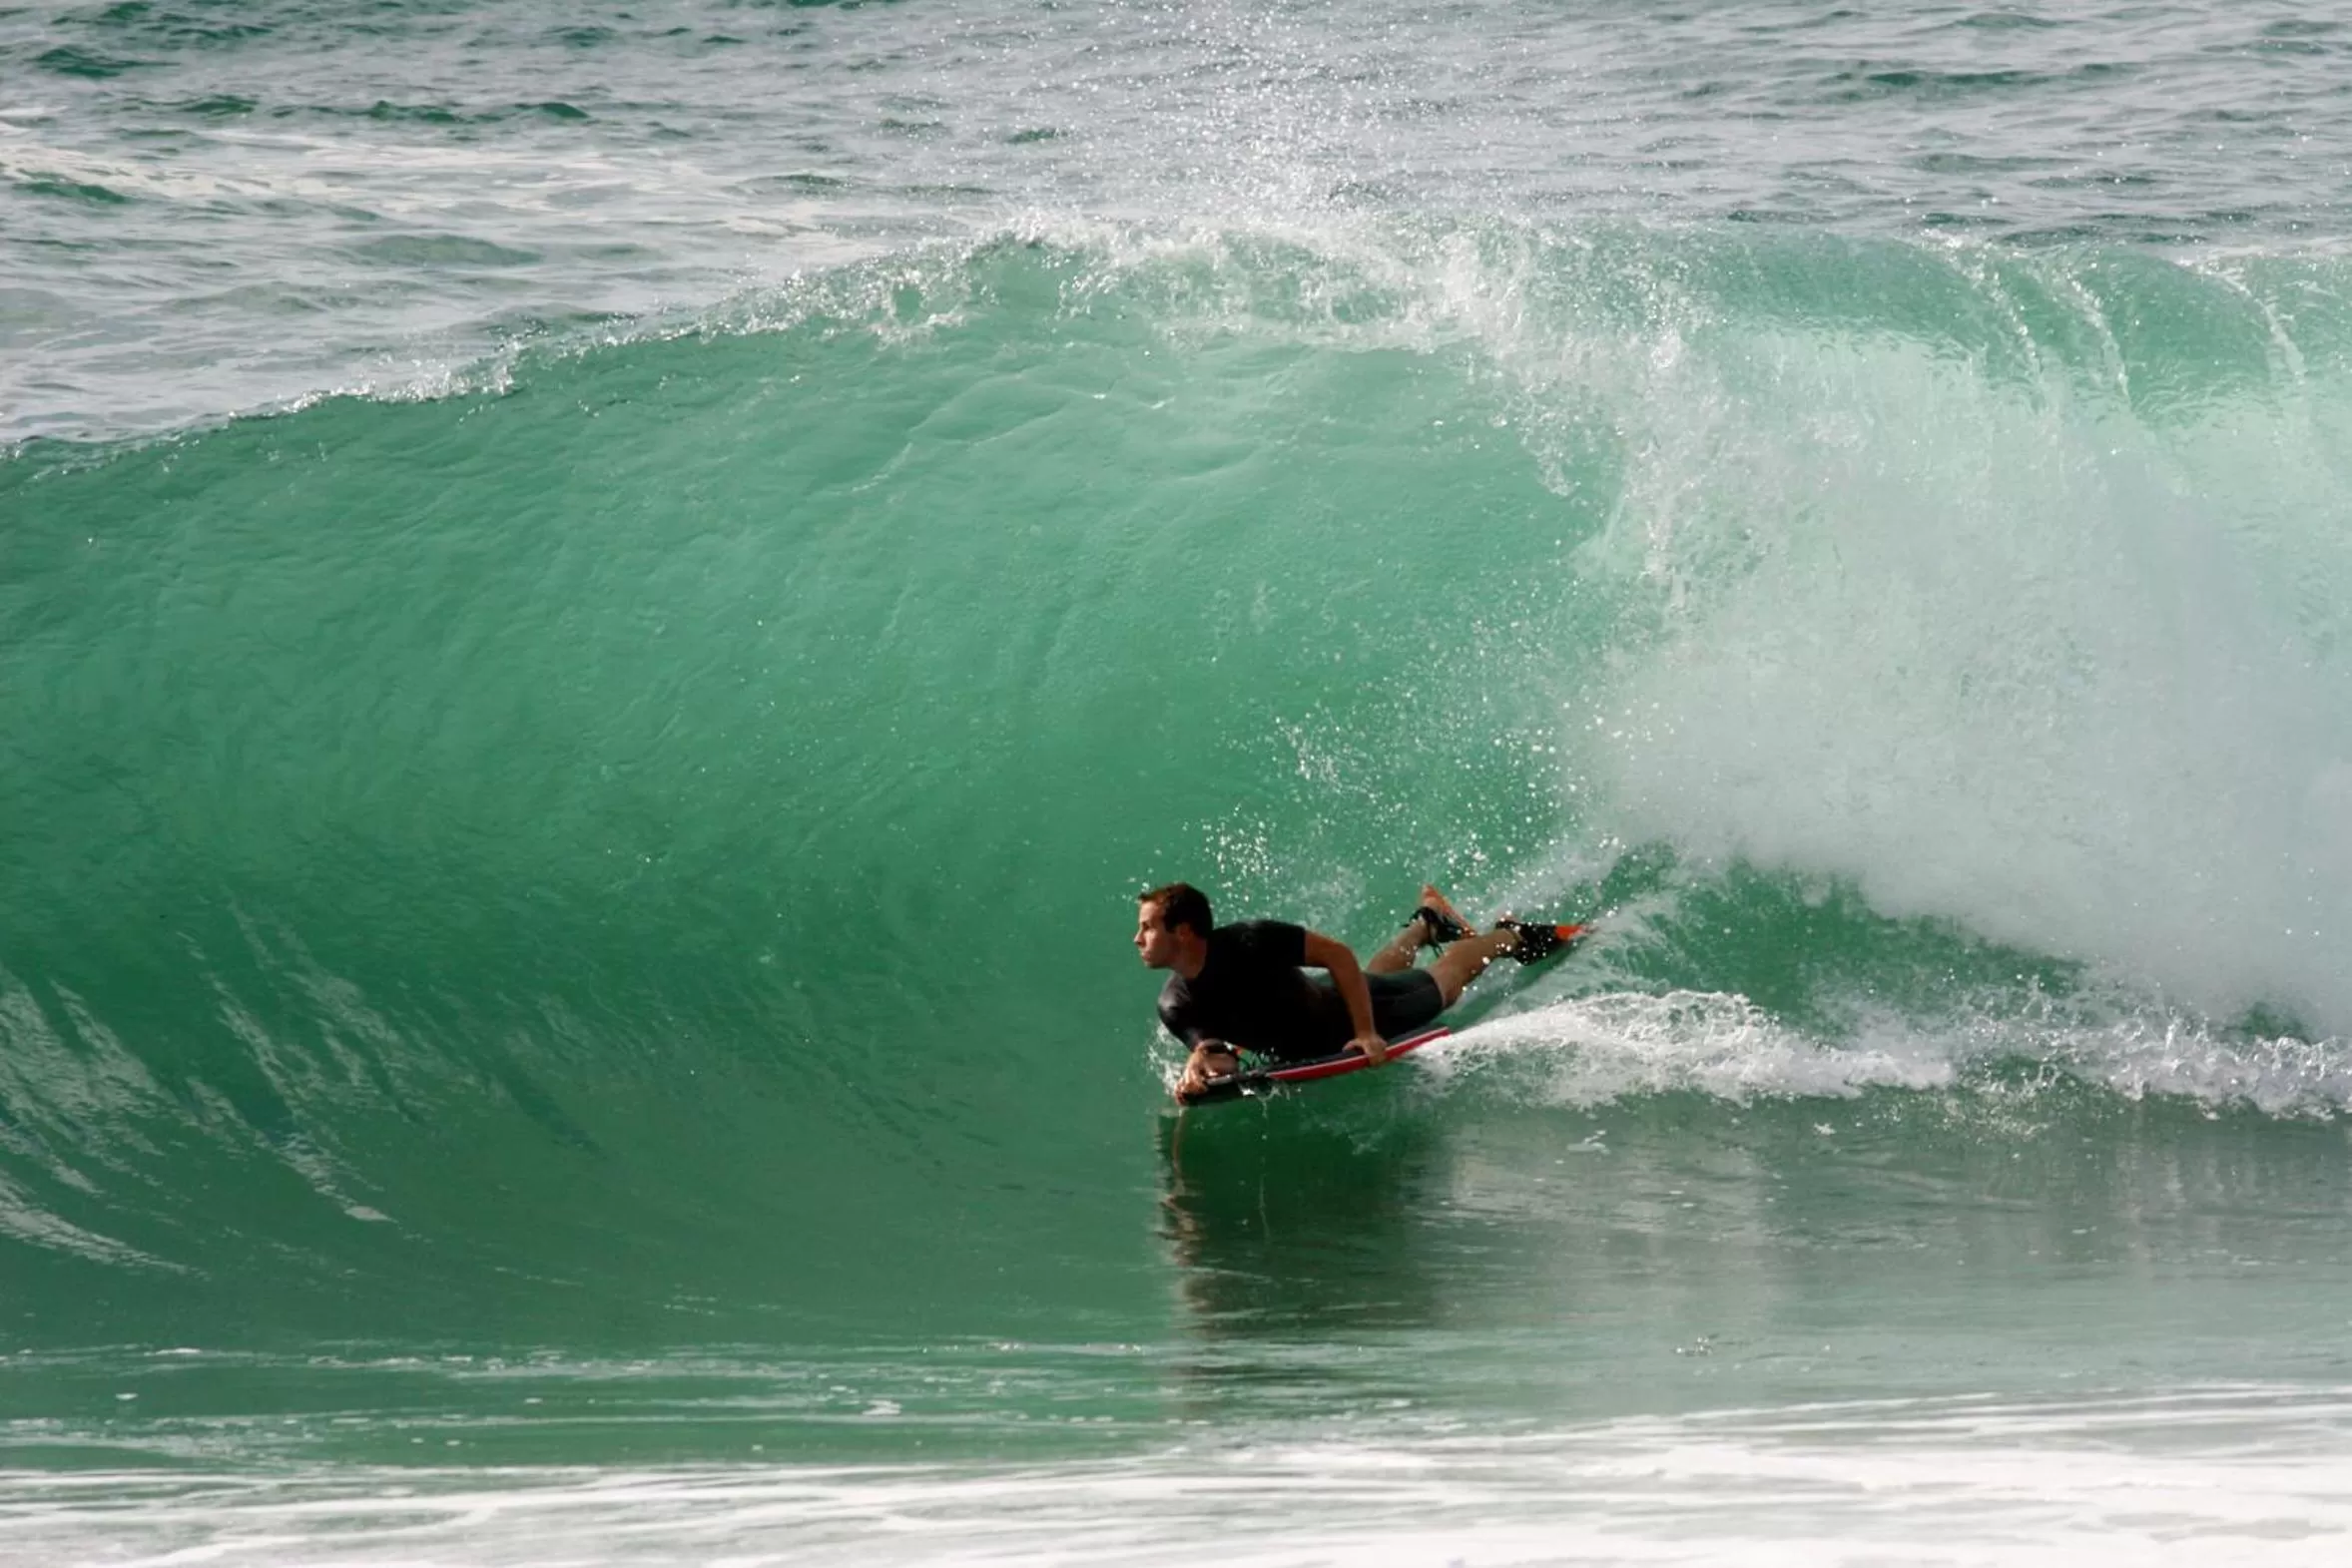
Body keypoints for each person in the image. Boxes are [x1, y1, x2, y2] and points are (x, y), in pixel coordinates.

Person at [1133, 881, 1575, 1103]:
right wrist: (1201, 1069)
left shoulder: (1250, 940)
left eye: (1148, 927)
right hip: (1316, 1007)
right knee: (1373, 977)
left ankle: (1508, 936)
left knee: (1444, 983)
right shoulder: (1174, 1004)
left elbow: (1339, 957)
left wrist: (1365, 1033)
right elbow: (1216, 1051)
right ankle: (1427, 923)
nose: (1137, 939)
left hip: (1347, 1013)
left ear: (1185, 931)